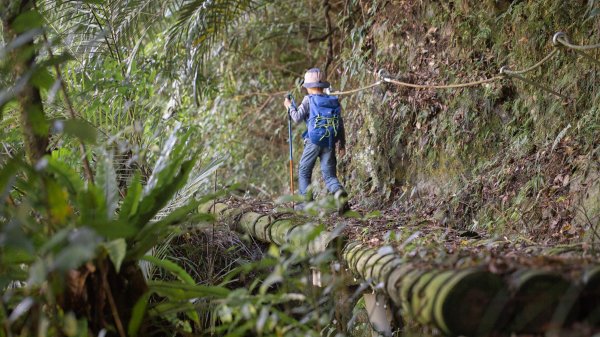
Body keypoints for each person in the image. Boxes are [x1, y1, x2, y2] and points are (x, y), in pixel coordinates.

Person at [284, 68, 349, 213]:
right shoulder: (332, 100)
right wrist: (342, 144)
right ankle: (340, 194)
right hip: (330, 141)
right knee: (330, 175)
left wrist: (289, 107)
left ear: (309, 87)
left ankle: (305, 204)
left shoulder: (308, 99)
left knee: (304, 170)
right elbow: (340, 123)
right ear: (323, 86)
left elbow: (296, 118)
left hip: (313, 141)